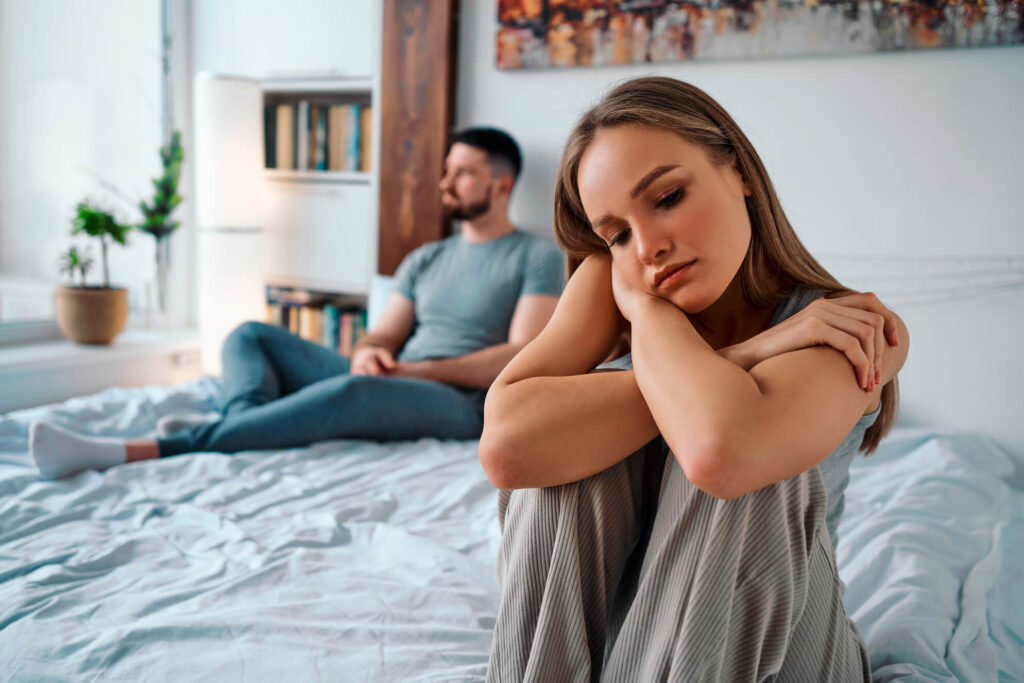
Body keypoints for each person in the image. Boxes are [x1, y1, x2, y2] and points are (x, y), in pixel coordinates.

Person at [479, 78, 910, 681]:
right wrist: (738, 349)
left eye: (667, 197)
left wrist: (651, 317)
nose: (649, 248)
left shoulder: (850, 325)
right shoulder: (619, 286)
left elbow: (723, 452)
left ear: (737, 172)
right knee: (566, 450)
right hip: (614, 640)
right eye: (618, 234)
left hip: (781, 654)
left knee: (747, 457)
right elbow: (506, 446)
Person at [31, 127, 564, 479]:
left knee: (354, 391)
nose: (446, 184)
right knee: (250, 335)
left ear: (501, 184)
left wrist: (413, 371)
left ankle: (146, 449)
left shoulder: (536, 257)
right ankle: (246, 422)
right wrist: (372, 350)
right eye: (446, 171)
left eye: (462, 173)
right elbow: (383, 334)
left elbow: (518, 356)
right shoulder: (426, 258)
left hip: (460, 402)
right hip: (397, 374)